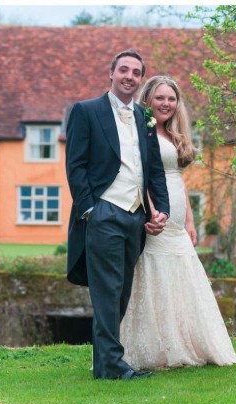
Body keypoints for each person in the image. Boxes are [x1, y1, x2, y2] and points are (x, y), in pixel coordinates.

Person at [120, 76, 236, 369]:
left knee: (183, 275)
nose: (166, 104)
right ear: (147, 100)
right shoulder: (142, 133)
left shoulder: (174, 135)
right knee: (155, 275)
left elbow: (179, 180)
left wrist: (190, 220)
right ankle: (154, 348)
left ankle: (188, 342)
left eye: (171, 99)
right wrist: (151, 212)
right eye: (160, 98)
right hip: (155, 217)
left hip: (176, 216)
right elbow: (141, 176)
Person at [65, 50, 170, 380]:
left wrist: (161, 209)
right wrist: (90, 210)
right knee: (108, 291)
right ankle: (112, 365)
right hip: (104, 213)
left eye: (136, 72)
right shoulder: (87, 111)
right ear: (110, 74)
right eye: (123, 69)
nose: (129, 76)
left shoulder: (144, 117)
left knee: (121, 290)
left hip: (135, 216)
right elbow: (76, 165)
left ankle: (104, 364)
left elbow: (153, 169)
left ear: (140, 79)